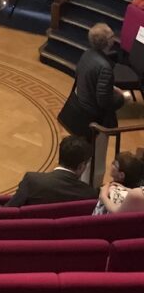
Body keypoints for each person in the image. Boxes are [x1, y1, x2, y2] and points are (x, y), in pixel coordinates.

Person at [57, 22, 133, 187]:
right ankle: (91, 189)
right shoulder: (105, 67)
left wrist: (110, 88)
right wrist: (123, 98)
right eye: (111, 36)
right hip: (95, 120)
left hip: (80, 114)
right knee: (95, 160)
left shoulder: (87, 54)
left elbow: (86, 79)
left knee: (83, 155)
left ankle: (79, 185)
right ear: (107, 42)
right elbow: (104, 102)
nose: (114, 38)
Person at [0, 136, 97, 208]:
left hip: (17, 233)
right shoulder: (89, 194)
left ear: (60, 157)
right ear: (81, 166)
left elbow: (9, 211)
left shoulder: (33, 180)